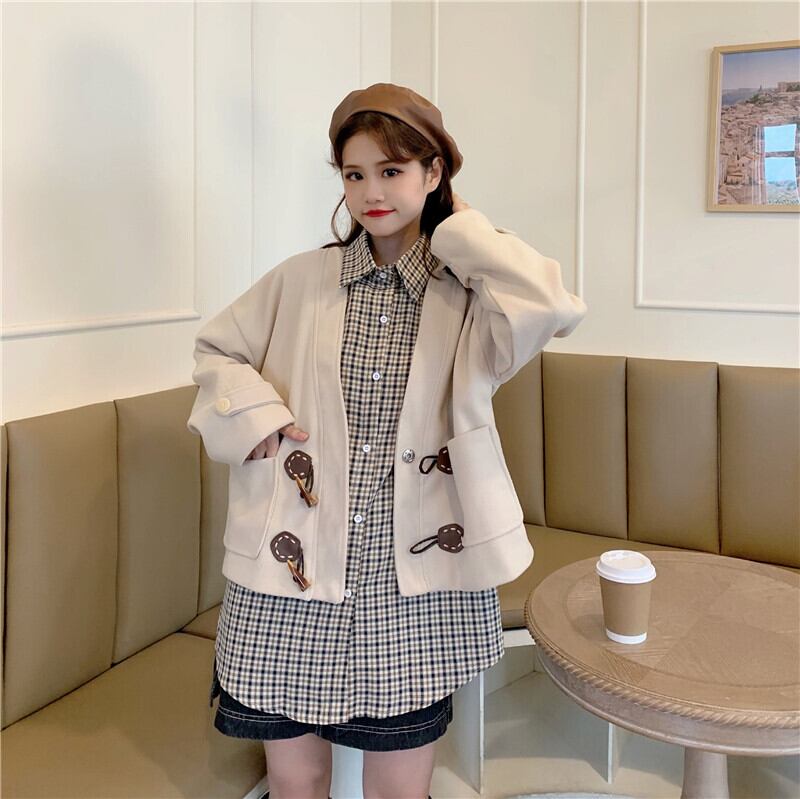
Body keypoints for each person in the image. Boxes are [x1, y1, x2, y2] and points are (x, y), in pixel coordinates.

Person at [188, 82, 587, 799]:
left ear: (434, 172)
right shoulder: (301, 279)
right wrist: (257, 419)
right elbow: (218, 350)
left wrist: (456, 228)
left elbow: (553, 304)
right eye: (354, 173)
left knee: (400, 789)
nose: (370, 192)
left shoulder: (472, 294)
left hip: (412, 580)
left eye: (393, 169)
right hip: (293, 571)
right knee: (295, 779)